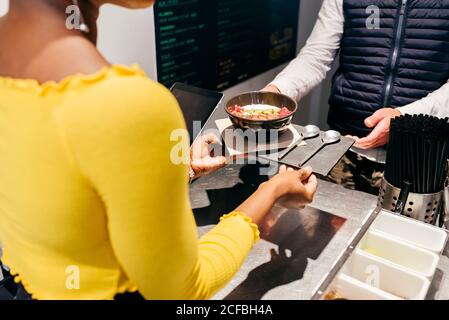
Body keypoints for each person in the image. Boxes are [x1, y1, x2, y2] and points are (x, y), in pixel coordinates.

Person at [0, 0, 317, 300]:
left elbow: (67, 201)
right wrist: (272, 191)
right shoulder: (130, 104)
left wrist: (179, 171)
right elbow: (184, 289)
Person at [264, 0, 449, 195]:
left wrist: (403, 118)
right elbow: (316, 55)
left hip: (419, 160)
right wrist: (276, 92)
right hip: (342, 148)